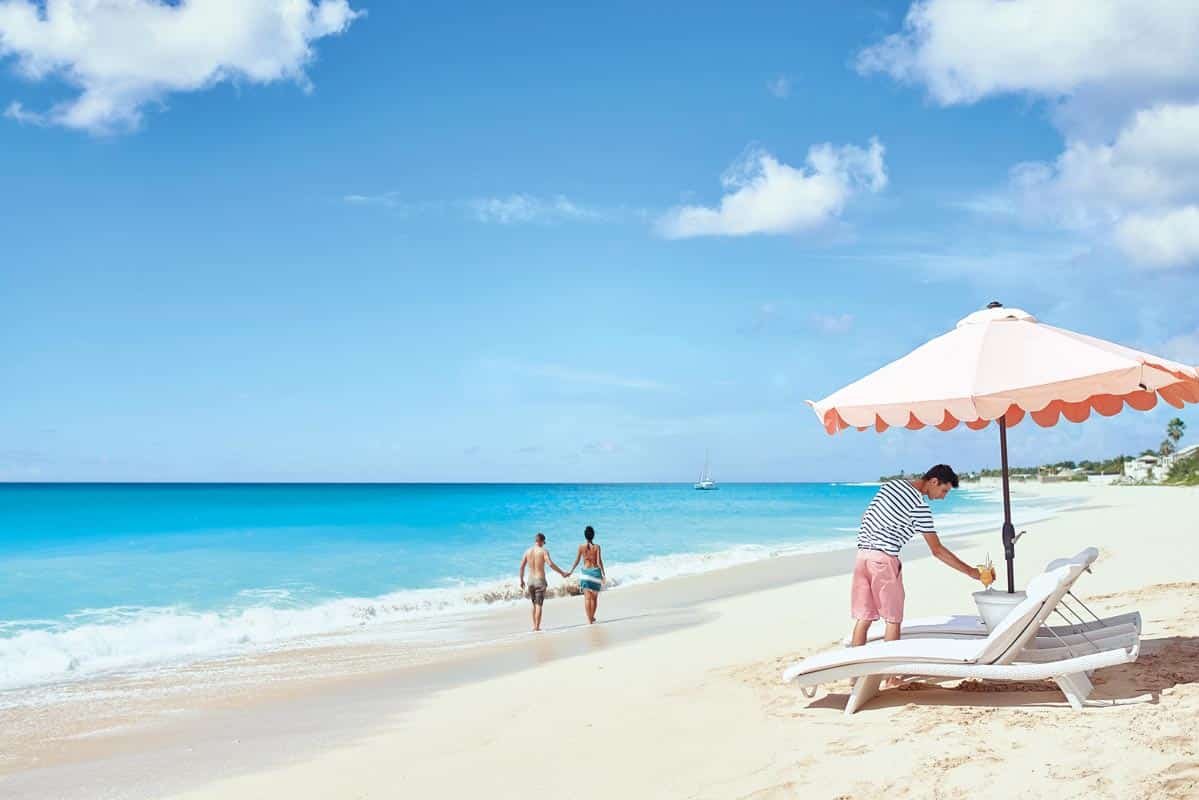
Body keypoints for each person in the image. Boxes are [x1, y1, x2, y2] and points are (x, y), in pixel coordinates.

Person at [850, 464, 986, 647]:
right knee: (893, 618)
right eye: (944, 491)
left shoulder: (891, 485)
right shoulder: (920, 507)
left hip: (862, 556)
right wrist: (971, 571)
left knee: (864, 618)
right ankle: (893, 676)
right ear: (933, 481)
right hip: (884, 561)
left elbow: (866, 516)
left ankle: (856, 673)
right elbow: (937, 550)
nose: (943, 497)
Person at [519, 532, 567, 632]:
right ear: (541, 541)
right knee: (539, 604)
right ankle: (537, 627)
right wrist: (561, 572)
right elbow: (550, 564)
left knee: (534, 604)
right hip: (540, 580)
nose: (544, 544)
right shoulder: (543, 551)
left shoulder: (527, 551)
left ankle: (534, 626)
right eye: (544, 542)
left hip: (530, 581)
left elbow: (522, 567)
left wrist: (521, 580)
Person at [566, 525, 606, 624]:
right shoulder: (597, 547)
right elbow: (599, 561)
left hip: (586, 573)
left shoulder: (581, 547)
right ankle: (592, 616)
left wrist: (571, 570)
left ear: (585, 536)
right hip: (595, 573)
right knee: (594, 598)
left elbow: (577, 560)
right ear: (593, 535)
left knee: (587, 598)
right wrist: (603, 574)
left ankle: (589, 620)